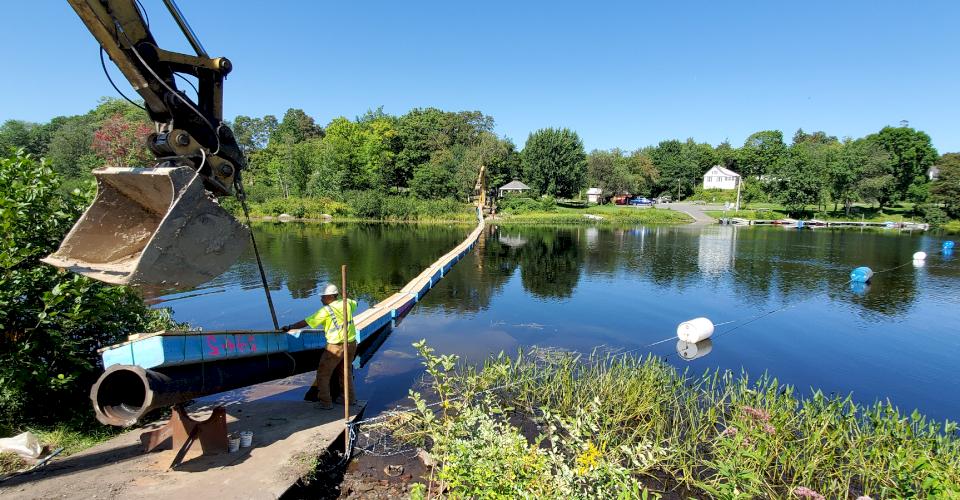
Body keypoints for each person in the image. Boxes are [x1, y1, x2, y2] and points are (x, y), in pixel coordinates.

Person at [281, 283, 358, 409]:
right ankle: (349, 399)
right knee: (346, 371)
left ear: (330, 296)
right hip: (351, 344)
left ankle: (325, 402)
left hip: (335, 346)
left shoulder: (325, 311)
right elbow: (355, 303)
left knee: (323, 374)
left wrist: (289, 327)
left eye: (323, 296)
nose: (321, 299)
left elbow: (305, 322)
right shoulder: (347, 303)